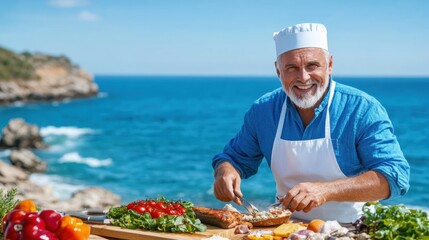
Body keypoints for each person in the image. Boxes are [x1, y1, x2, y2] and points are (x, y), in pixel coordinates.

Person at [212, 23, 410, 223]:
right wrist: (225, 171)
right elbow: (233, 158)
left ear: (330, 64)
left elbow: (394, 176)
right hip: (287, 229)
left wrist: (326, 190)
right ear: (278, 71)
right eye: (292, 68)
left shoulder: (362, 109)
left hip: (353, 228)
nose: (303, 77)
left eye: (312, 66)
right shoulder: (263, 111)